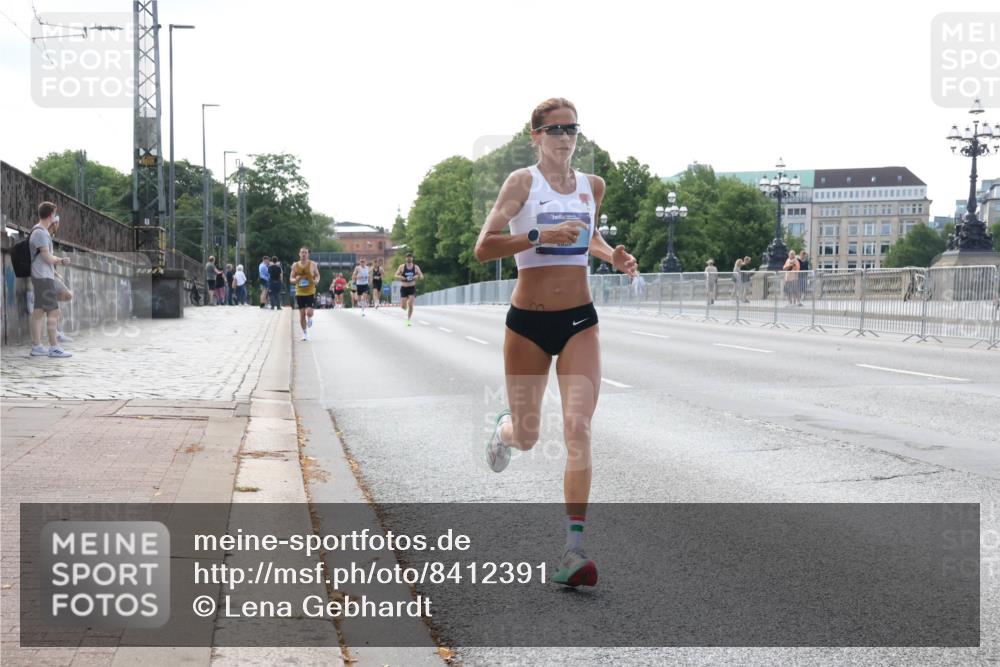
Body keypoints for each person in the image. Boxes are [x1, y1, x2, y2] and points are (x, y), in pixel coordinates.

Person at [473, 98, 637, 589]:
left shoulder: (593, 186)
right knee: (527, 436)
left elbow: (588, 237)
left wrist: (613, 256)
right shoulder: (522, 183)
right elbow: (484, 247)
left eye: (572, 129)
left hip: (579, 322)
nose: (565, 136)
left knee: (577, 429)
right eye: (555, 129)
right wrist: (538, 234)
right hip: (528, 323)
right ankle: (503, 430)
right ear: (536, 136)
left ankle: (573, 550)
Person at [28, 202, 72, 358]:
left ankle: (37, 346)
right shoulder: (40, 232)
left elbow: (42, 257)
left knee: (39, 312)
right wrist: (61, 260)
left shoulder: (40, 231)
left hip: (42, 276)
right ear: (50, 215)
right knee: (54, 311)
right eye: (54, 214)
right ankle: (54, 347)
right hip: (42, 277)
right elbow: (46, 256)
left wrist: (54, 272)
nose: (55, 217)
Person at [290, 247, 320, 340]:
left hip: (310, 291)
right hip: (299, 292)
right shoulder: (295, 265)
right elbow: (291, 278)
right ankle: (305, 333)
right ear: (299, 254)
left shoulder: (313, 264)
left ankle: (310, 318)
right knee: (302, 314)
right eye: (302, 252)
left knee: (309, 312)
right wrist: (296, 280)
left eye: (305, 253)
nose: (303, 254)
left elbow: (318, 275)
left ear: (308, 254)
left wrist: (316, 281)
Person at [394, 252, 423, 326]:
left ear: (412, 258)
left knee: (410, 304)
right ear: (405, 258)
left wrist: (417, 276)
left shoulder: (415, 267)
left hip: (412, 287)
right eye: (407, 257)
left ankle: (408, 320)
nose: (409, 258)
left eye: (410, 257)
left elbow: (421, 275)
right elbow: (395, 275)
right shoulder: (402, 267)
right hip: (404, 287)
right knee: (403, 307)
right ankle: (405, 306)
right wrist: (401, 277)